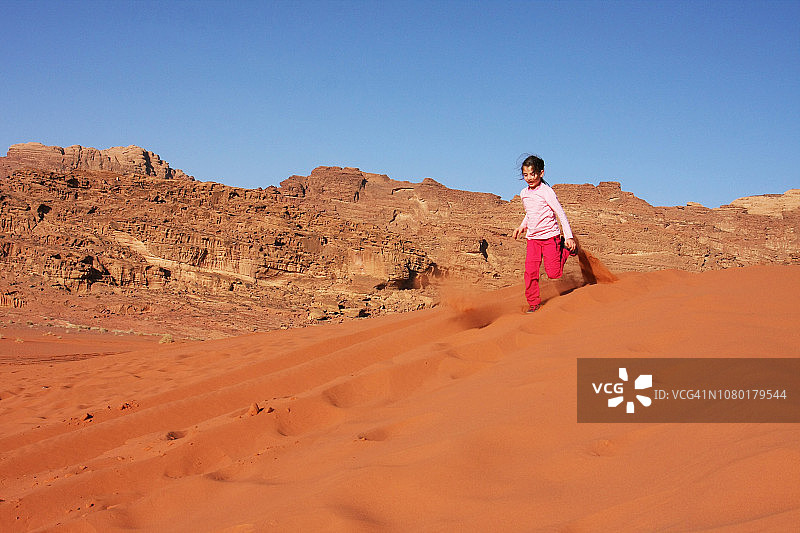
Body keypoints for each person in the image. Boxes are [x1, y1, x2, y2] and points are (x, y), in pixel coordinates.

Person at [512, 155, 577, 312]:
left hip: (550, 238)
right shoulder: (524, 193)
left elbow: (560, 213)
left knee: (554, 274)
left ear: (541, 173)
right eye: (525, 175)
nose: (529, 178)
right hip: (533, 239)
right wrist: (522, 226)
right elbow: (531, 213)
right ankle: (533, 303)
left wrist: (568, 237)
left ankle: (566, 249)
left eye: (532, 174)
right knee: (530, 272)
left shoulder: (547, 191)